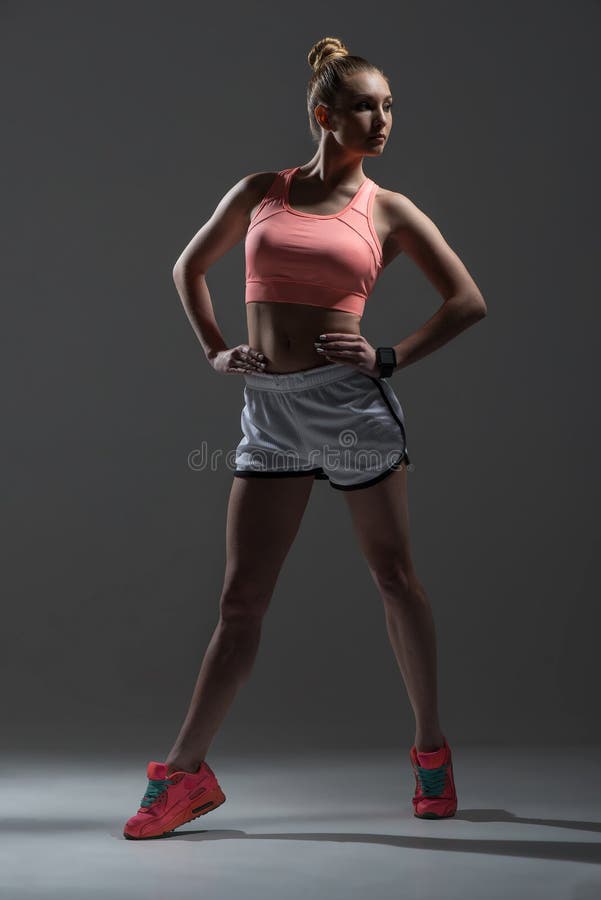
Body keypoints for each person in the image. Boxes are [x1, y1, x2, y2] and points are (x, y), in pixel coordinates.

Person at [123, 35, 487, 840]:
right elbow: (188, 267)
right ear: (323, 113)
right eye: (366, 104)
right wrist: (216, 350)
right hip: (271, 412)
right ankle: (185, 775)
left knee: (393, 577)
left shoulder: (386, 209)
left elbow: (466, 301)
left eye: (389, 105)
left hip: (350, 409)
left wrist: (388, 356)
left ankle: (430, 750)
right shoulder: (263, 190)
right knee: (240, 600)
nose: (383, 118)